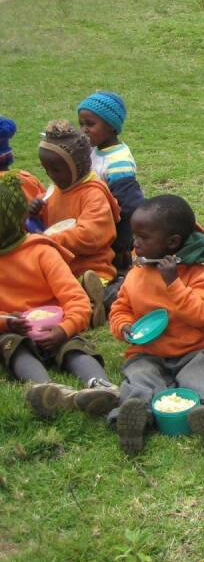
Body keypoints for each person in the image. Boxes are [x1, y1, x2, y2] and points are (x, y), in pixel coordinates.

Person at [107, 195, 204, 454]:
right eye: (135, 235)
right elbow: (120, 309)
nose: (135, 243)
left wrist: (174, 284)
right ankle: (136, 416)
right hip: (147, 352)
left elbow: (202, 315)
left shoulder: (198, 275)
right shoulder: (135, 275)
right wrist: (123, 327)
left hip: (192, 351)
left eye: (144, 237)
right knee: (140, 378)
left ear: (172, 242)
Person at [0, 175, 117, 419]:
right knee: (12, 346)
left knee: (74, 346)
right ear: (23, 217)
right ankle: (47, 390)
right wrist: (7, 321)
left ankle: (102, 386)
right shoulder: (41, 251)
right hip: (15, 330)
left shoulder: (42, 252)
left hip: (55, 326)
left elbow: (76, 300)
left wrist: (64, 329)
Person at [28, 120, 119, 327]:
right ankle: (89, 306)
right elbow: (46, 223)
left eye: (57, 169)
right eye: (46, 169)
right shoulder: (57, 188)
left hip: (90, 265)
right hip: (58, 266)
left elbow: (92, 233)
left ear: (76, 166)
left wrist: (50, 240)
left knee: (78, 292)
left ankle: (100, 300)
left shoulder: (93, 193)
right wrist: (35, 213)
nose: (51, 175)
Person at [77, 91, 145, 280]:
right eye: (81, 124)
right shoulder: (94, 149)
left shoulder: (117, 162)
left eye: (90, 124)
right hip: (97, 220)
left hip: (114, 230)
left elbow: (131, 204)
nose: (84, 130)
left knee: (113, 270)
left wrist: (123, 244)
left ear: (112, 127)